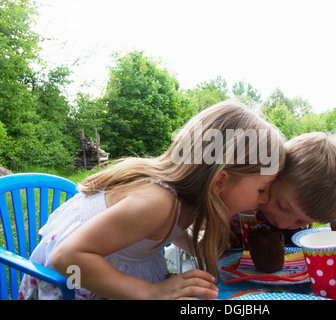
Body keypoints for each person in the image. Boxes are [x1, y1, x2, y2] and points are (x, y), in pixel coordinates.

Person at [19, 100, 285, 300]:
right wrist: (150, 292)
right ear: (220, 181)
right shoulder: (158, 203)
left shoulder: (183, 201)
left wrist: (199, 243)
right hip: (71, 285)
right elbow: (68, 258)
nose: (262, 201)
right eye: (262, 190)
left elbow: (164, 231)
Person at [256, 131, 336, 240]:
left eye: (301, 221)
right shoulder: (243, 185)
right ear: (274, 174)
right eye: (282, 206)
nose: (282, 225)